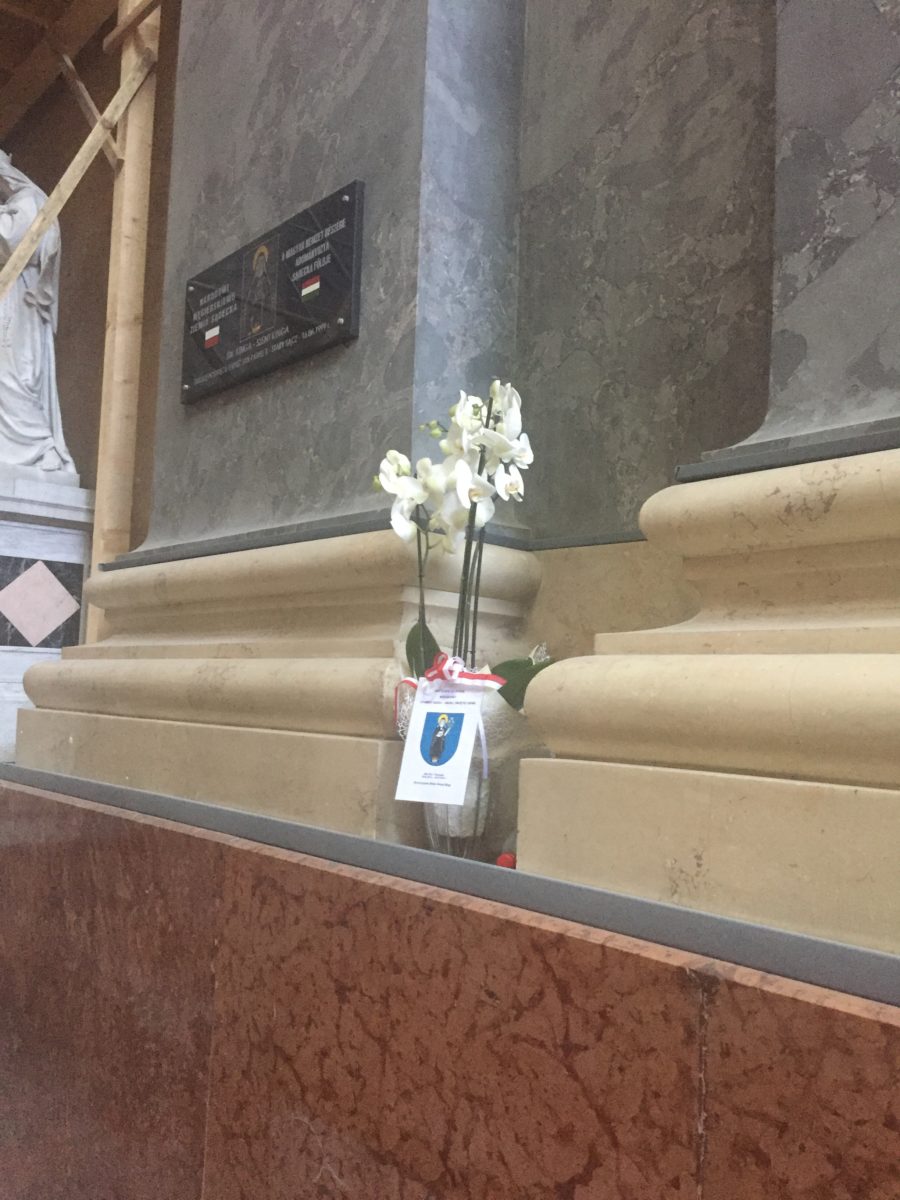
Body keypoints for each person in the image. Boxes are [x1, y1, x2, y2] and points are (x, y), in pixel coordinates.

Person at [0, 150, 74, 473]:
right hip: (11, 297)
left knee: (11, 373)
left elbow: (12, 241)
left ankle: (43, 447)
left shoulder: (29, 199)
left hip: (20, 301)